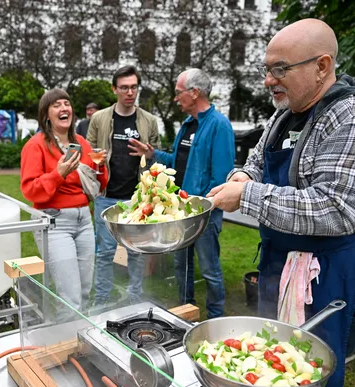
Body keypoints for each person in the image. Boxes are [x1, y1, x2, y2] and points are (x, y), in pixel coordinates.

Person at [207, 19, 355, 387]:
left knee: (312, 381)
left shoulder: (353, 118)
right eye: (267, 69)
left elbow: (337, 208)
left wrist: (246, 197)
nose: (268, 80)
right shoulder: (284, 115)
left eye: (280, 69)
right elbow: (256, 162)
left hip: (328, 274)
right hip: (278, 263)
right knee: (269, 362)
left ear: (322, 66)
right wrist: (240, 178)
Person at [129, 68, 234, 319]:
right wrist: (153, 153)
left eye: (179, 93)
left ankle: (215, 317)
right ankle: (186, 312)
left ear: (194, 93)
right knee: (181, 265)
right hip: (181, 212)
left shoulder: (219, 125)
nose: (176, 99)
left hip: (204, 214)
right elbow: (178, 163)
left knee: (209, 269)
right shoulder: (187, 125)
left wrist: (201, 206)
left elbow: (221, 177)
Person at [20, 88, 108, 313]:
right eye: (56, 105)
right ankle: (68, 345)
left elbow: (98, 186)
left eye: (66, 104)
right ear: (46, 114)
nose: (63, 108)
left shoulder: (82, 144)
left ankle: (80, 341)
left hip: (84, 221)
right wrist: (57, 174)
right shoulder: (36, 145)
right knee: (70, 298)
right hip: (55, 224)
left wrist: (99, 165)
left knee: (85, 292)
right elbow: (30, 190)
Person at [87, 65, 161, 306]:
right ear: (114, 89)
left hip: (137, 199)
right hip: (107, 196)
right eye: (124, 88)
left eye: (133, 87)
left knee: (136, 254)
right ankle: (101, 301)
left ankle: (135, 299)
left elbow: (158, 157)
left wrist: (150, 154)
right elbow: (88, 154)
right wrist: (96, 157)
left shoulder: (149, 121)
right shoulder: (99, 119)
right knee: (105, 253)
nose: (130, 92)